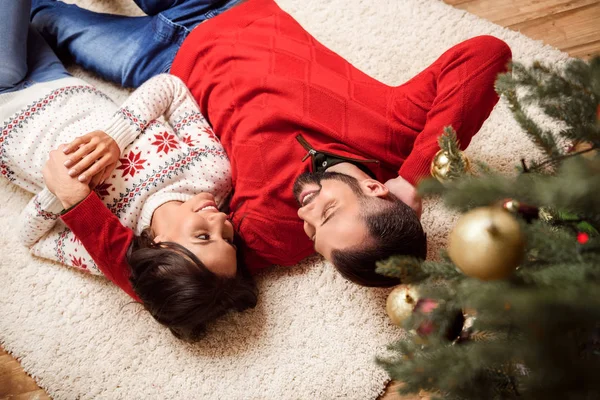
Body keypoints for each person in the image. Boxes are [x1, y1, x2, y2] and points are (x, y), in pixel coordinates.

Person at [30, 0, 512, 287]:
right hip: (229, 8)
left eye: (313, 236)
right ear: (378, 189)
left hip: (163, 62)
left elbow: (163, 286)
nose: (304, 214)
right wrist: (416, 177)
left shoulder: (271, 236)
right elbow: (487, 55)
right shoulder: (402, 134)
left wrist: (78, 206)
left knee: (42, 19)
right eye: (325, 212)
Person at [0, 0, 257, 342]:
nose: (220, 222)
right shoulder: (211, 174)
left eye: (204, 236)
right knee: (36, 15)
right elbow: (172, 89)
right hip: (54, 79)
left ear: (162, 250)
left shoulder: (113, 240)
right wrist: (115, 137)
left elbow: (30, 238)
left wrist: (62, 190)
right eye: (228, 239)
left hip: (5, 114)